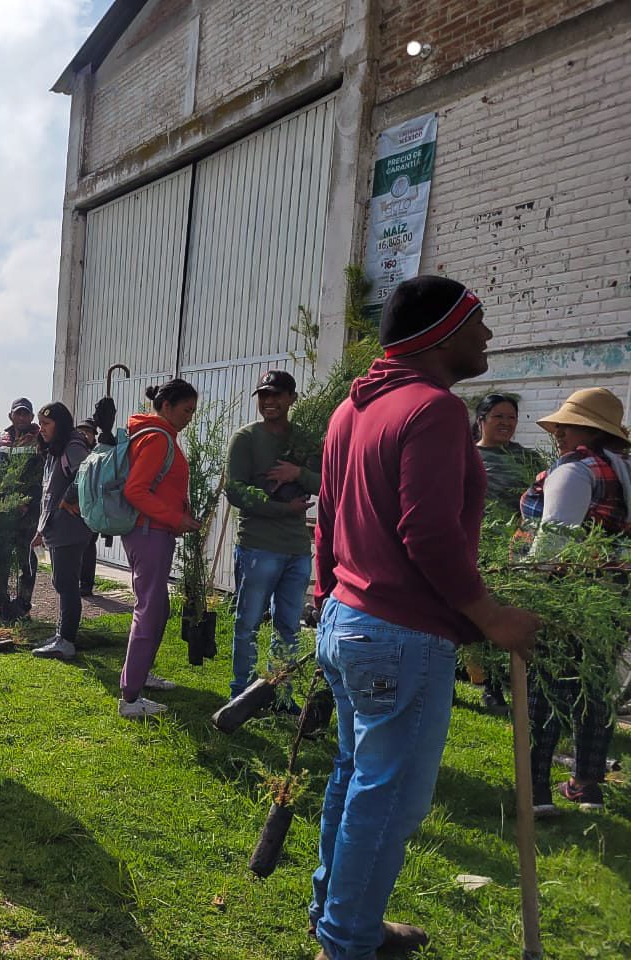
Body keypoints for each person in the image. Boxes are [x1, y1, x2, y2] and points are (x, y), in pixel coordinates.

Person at [311, 275, 539, 960]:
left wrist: (327, 601)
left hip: (349, 621)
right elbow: (431, 537)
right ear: (440, 334)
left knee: (358, 779)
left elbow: (327, 520)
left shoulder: (352, 410)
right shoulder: (433, 409)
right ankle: (345, 943)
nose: (488, 336)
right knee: (389, 799)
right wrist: (492, 616)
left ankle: (343, 921)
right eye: (478, 322)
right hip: (400, 632)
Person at [519, 387, 630, 815]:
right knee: (596, 688)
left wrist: (527, 591)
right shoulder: (624, 468)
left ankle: (537, 791)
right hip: (612, 599)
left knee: (544, 690)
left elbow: (555, 539)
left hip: (568, 596)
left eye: (566, 425)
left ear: (589, 430)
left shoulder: (576, 469)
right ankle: (588, 785)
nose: (558, 432)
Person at [224, 371, 320, 704]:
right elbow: (233, 490)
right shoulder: (246, 438)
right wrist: (282, 508)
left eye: (277, 395)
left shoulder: (304, 440)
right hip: (258, 546)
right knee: (248, 624)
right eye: (264, 395)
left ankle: (280, 695)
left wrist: (298, 474)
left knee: (288, 626)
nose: (269, 401)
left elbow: (328, 483)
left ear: (292, 398)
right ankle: (242, 694)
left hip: (296, 548)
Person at [118, 379, 201, 718]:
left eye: (193, 411)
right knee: (150, 609)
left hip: (154, 531)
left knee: (157, 608)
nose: (190, 417)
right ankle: (130, 696)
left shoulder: (156, 435)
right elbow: (135, 491)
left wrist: (177, 515)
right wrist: (174, 518)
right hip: (149, 532)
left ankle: (141, 675)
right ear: (166, 406)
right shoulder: (156, 438)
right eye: (186, 410)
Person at [471, 393, 539, 710]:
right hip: (474, 548)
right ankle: (483, 682)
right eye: (499, 416)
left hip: (513, 551)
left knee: (506, 615)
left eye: (511, 418)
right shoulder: (466, 456)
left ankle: (502, 684)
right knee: (473, 618)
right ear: (481, 419)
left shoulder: (528, 460)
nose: (506, 423)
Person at [30, 402, 92, 660]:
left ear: (60, 424)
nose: (41, 429)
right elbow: (48, 493)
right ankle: (61, 635)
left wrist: (68, 498)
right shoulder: (56, 449)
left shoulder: (73, 447)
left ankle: (66, 641)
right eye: (41, 424)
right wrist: (42, 528)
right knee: (62, 582)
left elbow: (84, 476)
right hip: (57, 527)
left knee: (66, 584)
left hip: (70, 528)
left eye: (46, 424)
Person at [0, 398, 42, 619]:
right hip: (4, 510)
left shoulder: (39, 440)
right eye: (18, 414)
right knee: (0, 555)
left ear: (31, 417)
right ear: (10, 416)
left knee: (26, 556)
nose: (21, 417)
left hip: (28, 511)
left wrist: (25, 502)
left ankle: (23, 603)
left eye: (25, 414)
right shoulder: (4, 439)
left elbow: (41, 477)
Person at [76, 417, 99, 596]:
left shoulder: (99, 453)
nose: (84, 434)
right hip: (73, 506)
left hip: (92, 506)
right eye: (80, 431)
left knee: (89, 545)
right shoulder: (72, 450)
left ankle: (86, 584)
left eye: (88, 432)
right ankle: (74, 580)